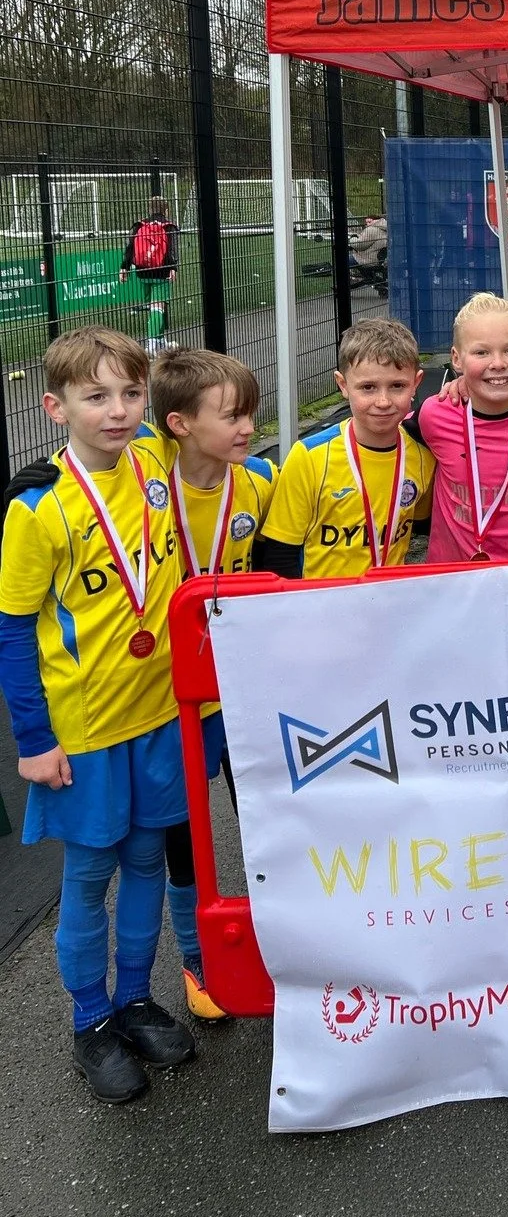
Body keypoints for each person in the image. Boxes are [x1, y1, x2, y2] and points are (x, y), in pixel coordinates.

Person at [0, 326, 195, 1102]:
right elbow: (13, 627)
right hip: (83, 731)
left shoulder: (150, 458)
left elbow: (210, 414)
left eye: (129, 393)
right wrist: (33, 739)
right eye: (95, 396)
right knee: (87, 876)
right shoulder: (37, 507)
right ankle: (89, 1019)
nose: (117, 410)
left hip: (156, 715)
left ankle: (138, 998)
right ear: (55, 407)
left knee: (147, 859)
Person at [143, 349, 277, 1020]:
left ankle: (272, 939)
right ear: (179, 423)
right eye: (232, 415)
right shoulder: (145, 483)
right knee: (185, 833)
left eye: (250, 410)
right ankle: (196, 958)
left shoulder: (257, 482)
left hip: (243, 686)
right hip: (174, 694)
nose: (249, 425)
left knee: (259, 813)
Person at [255, 318, 435, 577]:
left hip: (389, 606)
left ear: (416, 383)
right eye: (368, 387)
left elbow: (420, 523)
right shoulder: (309, 457)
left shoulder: (421, 456)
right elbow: (279, 555)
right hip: (321, 609)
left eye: (397, 386)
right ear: (342, 385)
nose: (383, 401)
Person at [413, 293, 508, 563]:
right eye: (481, 352)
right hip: (453, 579)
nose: (497, 363)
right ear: (457, 359)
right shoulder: (435, 414)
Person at [118, 194, 179, 357]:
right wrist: (173, 267)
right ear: (166, 209)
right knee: (158, 308)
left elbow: (130, 247)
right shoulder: (169, 226)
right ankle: (152, 343)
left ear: (149, 208)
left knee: (153, 307)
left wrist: (124, 268)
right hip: (162, 271)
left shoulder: (140, 225)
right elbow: (172, 249)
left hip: (142, 271)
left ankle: (160, 340)